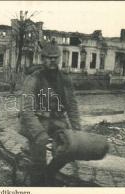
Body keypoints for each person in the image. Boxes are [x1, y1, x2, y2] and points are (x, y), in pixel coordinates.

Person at [19, 40, 81, 186]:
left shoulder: (65, 79)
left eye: (55, 57)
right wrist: (39, 133)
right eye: (49, 57)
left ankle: (50, 173)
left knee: (69, 149)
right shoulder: (33, 79)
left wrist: (77, 130)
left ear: (59, 58)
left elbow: (72, 106)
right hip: (37, 122)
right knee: (38, 162)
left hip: (58, 122)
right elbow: (26, 110)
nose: (52, 60)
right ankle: (37, 186)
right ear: (43, 59)